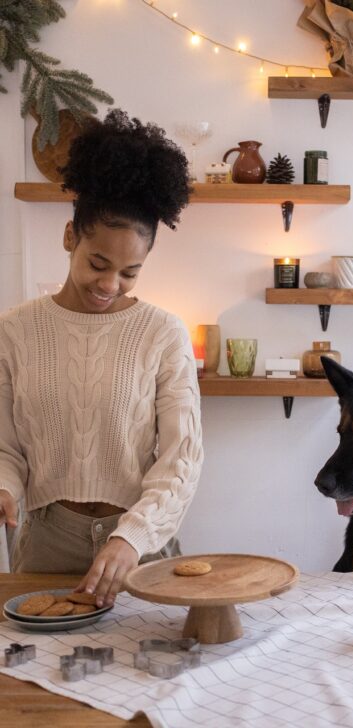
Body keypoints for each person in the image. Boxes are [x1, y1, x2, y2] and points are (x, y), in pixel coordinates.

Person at [0, 109, 203, 607]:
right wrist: (4, 487)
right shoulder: (15, 331)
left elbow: (182, 460)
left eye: (130, 272)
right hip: (47, 544)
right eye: (98, 263)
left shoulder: (162, 333)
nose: (110, 285)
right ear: (70, 237)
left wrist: (131, 535)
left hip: (139, 547)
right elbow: (5, 448)